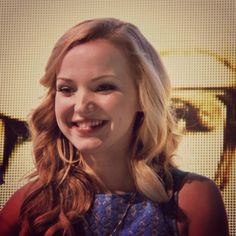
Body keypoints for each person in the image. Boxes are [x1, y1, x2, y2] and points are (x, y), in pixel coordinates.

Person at [0, 18, 229, 236]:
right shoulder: (30, 204)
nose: (80, 105)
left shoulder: (193, 198)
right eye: (67, 89)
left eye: (103, 87)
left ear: (142, 97)